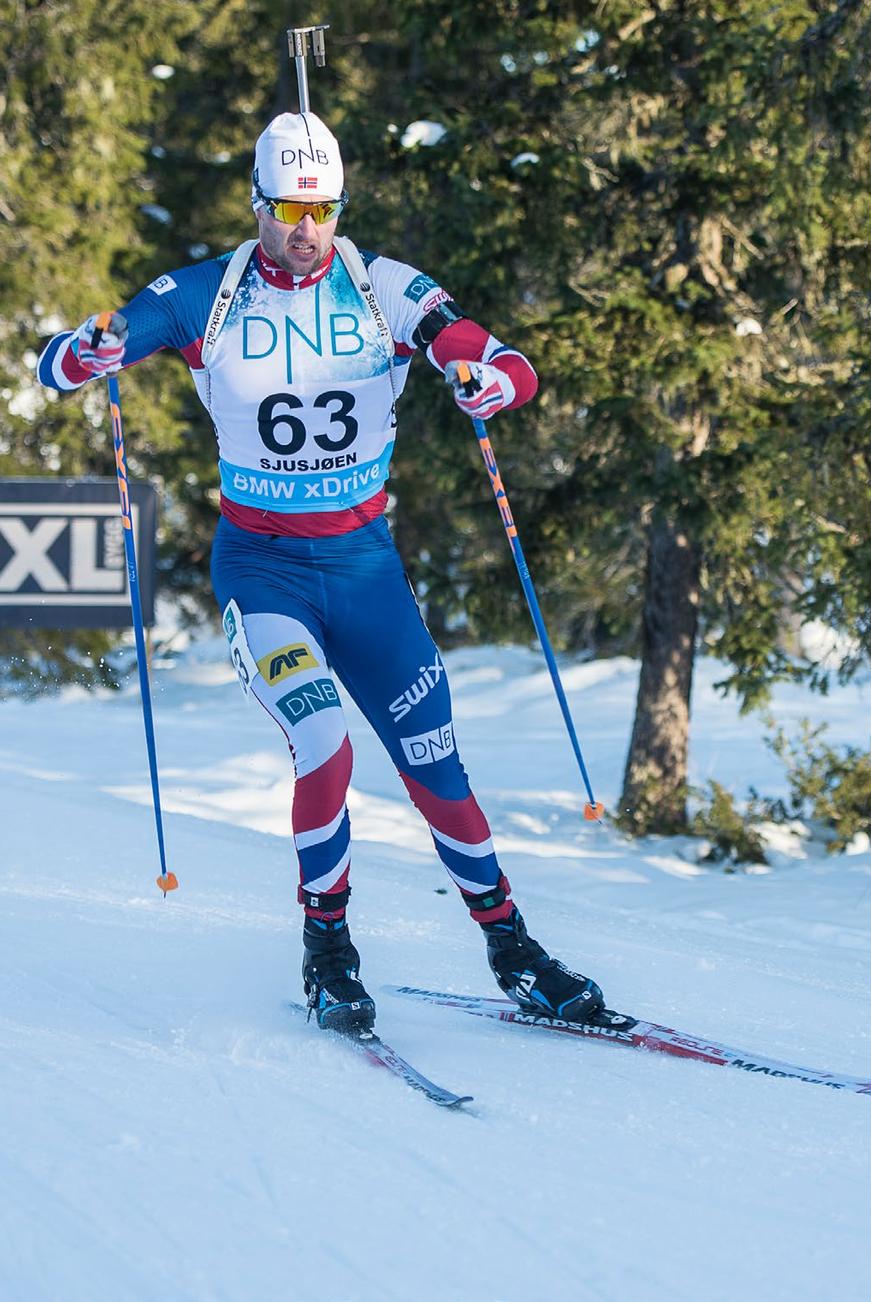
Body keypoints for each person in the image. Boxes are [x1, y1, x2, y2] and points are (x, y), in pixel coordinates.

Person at [37, 110, 607, 1035]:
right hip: (264, 573)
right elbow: (72, 355)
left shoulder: (379, 287)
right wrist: (86, 352)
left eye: (325, 207)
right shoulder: (204, 295)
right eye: (289, 208)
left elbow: (483, 347)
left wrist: (496, 378)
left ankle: (514, 951)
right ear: (257, 203)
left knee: (438, 769)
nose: (308, 229)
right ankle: (329, 953)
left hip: (366, 571)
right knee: (324, 743)